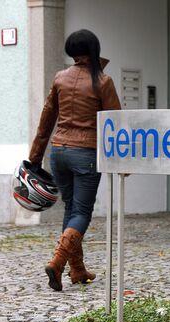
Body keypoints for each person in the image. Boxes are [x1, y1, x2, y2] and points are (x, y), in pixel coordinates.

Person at [29, 29, 121, 291]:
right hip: (86, 154)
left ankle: (77, 270)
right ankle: (57, 263)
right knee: (81, 212)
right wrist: (123, 161)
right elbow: (117, 125)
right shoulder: (103, 81)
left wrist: (35, 158)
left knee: (71, 210)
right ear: (94, 49)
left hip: (59, 152)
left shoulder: (60, 78)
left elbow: (46, 121)